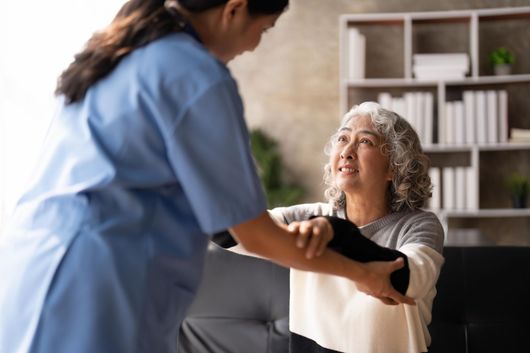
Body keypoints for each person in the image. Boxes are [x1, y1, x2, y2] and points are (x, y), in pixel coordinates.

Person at [0, 2, 413, 353]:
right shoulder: (195, 75)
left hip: (32, 270)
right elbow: (255, 235)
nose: (253, 45)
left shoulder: (120, 50)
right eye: (263, 29)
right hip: (94, 287)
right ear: (234, 8)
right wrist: (363, 273)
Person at [264, 102, 444, 353]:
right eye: (343, 138)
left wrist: (334, 232)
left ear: (394, 167)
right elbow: (228, 233)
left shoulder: (418, 225)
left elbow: (402, 278)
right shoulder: (309, 217)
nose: (347, 151)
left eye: (365, 142)